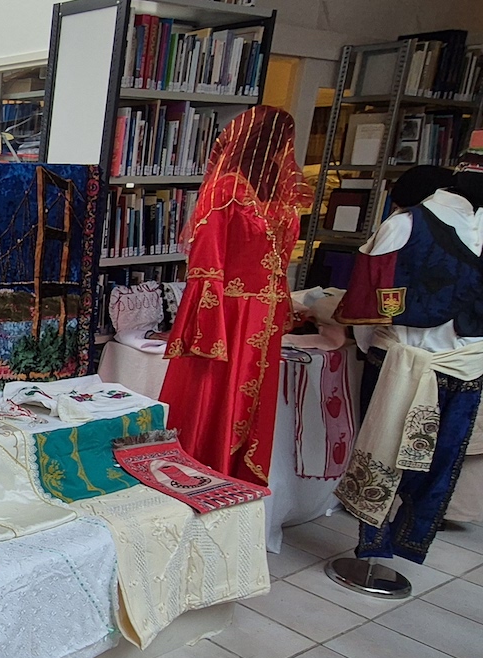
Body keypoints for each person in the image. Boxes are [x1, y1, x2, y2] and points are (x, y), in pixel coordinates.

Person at [335, 153, 483, 564]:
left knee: (440, 466)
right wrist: (376, 352)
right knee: (383, 458)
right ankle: (373, 545)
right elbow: (367, 305)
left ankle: (409, 542)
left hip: (467, 366)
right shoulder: (404, 225)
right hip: (402, 362)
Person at [160, 106, 306, 485]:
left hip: (263, 316)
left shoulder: (283, 194)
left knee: (253, 405)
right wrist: (207, 325)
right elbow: (207, 262)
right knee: (217, 398)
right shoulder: (228, 188)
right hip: (229, 314)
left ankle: (239, 484)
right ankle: (205, 475)